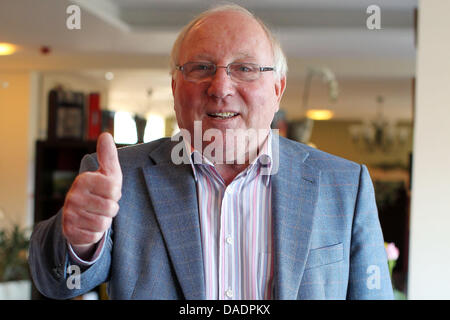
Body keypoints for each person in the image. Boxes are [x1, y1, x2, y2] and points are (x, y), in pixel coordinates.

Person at [29, 4, 393, 300]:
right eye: (201, 67)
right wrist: (77, 240)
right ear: (174, 87)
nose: (220, 87)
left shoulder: (345, 185)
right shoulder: (119, 178)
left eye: (245, 69)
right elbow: (58, 283)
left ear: (278, 88)